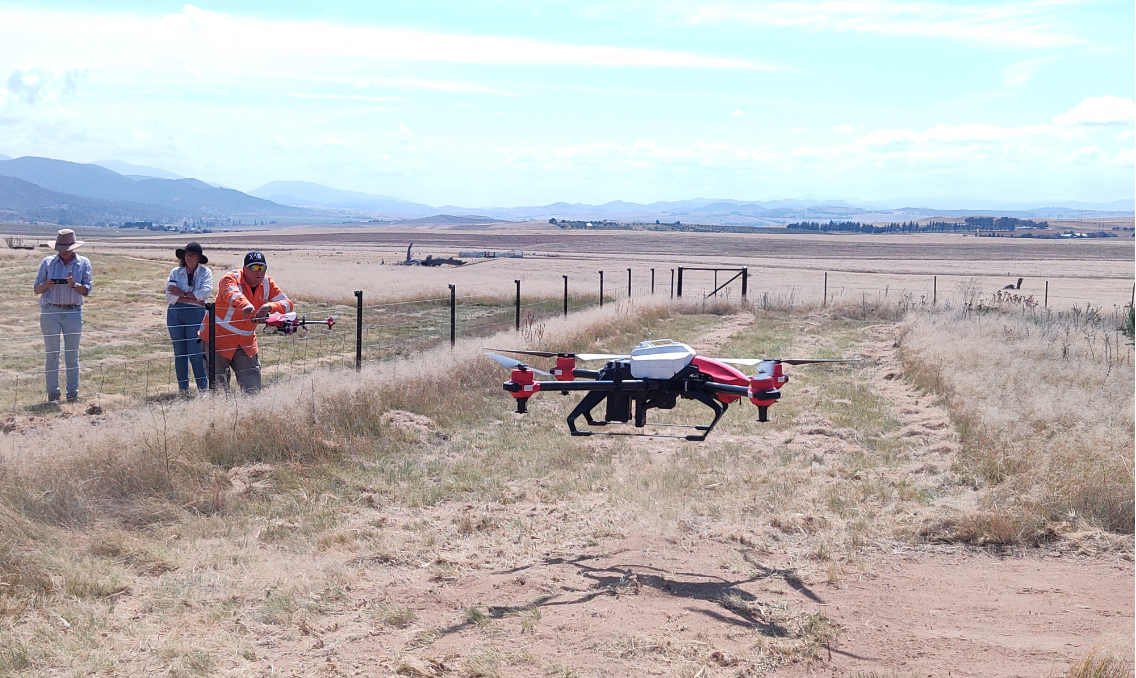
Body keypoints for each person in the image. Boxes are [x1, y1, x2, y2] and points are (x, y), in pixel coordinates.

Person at [200, 251, 293, 394]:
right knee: (219, 390)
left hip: (245, 343)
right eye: (254, 268)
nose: (259, 272)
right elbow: (231, 293)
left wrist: (270, 307)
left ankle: (251, 415)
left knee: (253, 388)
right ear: (244, 269)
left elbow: (287, 304)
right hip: (217, 341)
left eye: (262, 268)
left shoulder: (268, 283)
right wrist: (245, 305)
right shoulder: (231, 278)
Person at [32, 229, 93, 403]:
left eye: (66, 247)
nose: (63, 250)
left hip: (73, 311)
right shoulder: (48, 262)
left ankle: (72, 393)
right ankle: (53, 393)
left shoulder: (83, 263)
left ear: (73, 247)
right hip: (50, 311)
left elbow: (87, 290)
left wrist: (74, 285)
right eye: (61, 247)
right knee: (52, 354)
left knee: (72, 355)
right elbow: (36, 289)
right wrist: (46, 284)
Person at [166, 242, 213, 393]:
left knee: (196, 353)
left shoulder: (206, 273)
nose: (189, 256)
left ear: (199, 257)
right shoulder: (175, 272)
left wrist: (182, 294)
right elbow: (170, 296)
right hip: (175, 314)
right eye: (187, 253)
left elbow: (205, 293)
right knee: (180, 353)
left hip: (196, 315)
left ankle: (203, 389)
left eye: (193, 254)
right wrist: (191, 298)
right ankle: (183, 389)